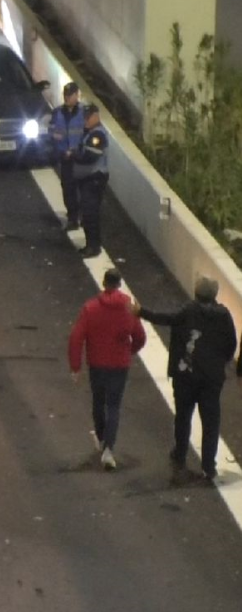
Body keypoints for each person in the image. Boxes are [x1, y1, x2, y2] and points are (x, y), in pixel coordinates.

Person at [134, 277, 238, 481]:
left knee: (183, 416)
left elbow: (165, 318)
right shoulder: (224, 316)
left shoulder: (188, 311)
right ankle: (209, 466)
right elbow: (231, 344)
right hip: (211, 378)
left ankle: (180, 456)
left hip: (185, 375)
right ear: (214, 295)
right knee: (211, 422)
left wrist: (141, 312)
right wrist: (218, 364)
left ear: (196, 292)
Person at [68, 268, 147, 470]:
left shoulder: (90, 308)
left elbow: (76, 337)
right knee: (114, 405)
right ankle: (109, 450)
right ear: (119, 284)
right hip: (119, 365)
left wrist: (75, 366)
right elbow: (140, 337)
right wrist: (130, 351)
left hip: (97, 364)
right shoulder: (128, 308)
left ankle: (102, 438)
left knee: (98, 402)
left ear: (104, 284)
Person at [73, 104, 110, 258]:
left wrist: (73, 155)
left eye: (89, 117)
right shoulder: (90, 133)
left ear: (96, 116)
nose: (86, 120)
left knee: (90, 214)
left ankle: (93, 247)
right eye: (85, 117)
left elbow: (89, 157)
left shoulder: (97, 135)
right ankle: (91, 245)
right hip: (88, 179)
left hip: (94, 179)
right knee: (88, 213)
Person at [49, 82, 85, 230]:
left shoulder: (84, 112)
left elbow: (88, 133)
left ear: (77, 95)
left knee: (83, 189)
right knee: (68, 188)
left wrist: (77, 150)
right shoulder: (57, 112)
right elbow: (51, 131)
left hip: (81, 157)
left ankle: (83, 215)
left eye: (71, 95)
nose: (68, 98)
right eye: (66, 95)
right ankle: (72, 218)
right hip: (65, 157)